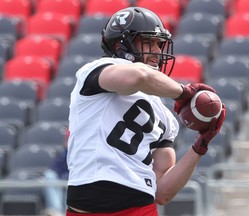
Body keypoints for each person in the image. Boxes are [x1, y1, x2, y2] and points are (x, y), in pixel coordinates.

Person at [66, 6, 226, 216]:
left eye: (159, 44)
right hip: (89, 201)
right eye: (148, 42)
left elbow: (163, 192)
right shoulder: (96, 71)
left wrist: (200, 146)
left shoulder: (164, 116)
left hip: (139, 207)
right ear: (120, 45)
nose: (158, 52)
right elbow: (138, 77)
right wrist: (184, 93)